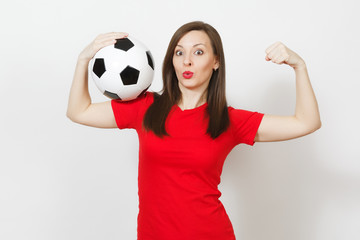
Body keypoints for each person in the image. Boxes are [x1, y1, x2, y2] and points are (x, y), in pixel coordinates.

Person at [67, 21, 321, 240]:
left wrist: (300, 67)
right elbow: (79, 111)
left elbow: (306, 122)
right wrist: (83, 59)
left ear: (216, 61)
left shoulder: (229, 120)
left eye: (198, 52)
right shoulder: (145, 107)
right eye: (179, 53)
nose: (187, 60)